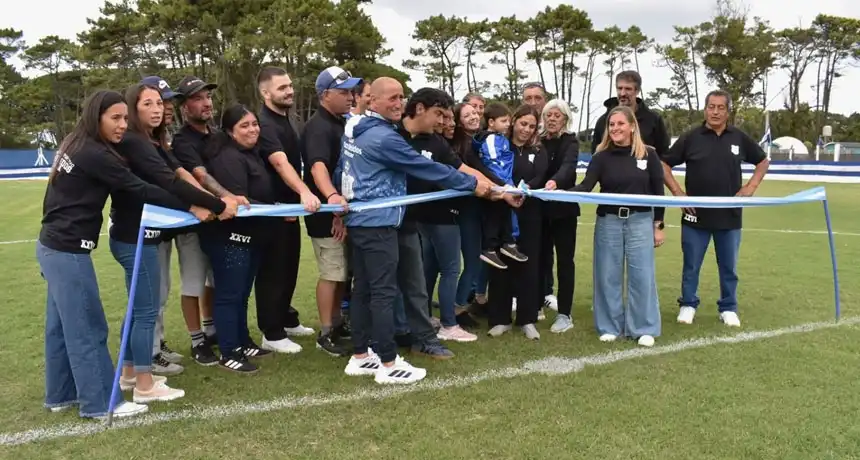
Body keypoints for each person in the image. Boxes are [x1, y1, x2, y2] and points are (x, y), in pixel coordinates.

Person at [37, 90, 201, 419]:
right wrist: (191, 204)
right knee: (87, 326)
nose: (122, 125)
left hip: (52, 246)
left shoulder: (76, 141)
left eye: (125, 118)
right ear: (95, 117)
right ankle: (100, 404)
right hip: (67, 251)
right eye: (115, 118)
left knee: (60, 328)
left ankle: (60, 395)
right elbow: (139, 188)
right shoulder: (94, 152)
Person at [339, 78, 492, 385]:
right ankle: (388, 362)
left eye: (402, 97)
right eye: (393, 98)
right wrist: (475, 186)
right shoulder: (385, 137)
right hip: (378, 221)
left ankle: (360, 356)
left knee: (365, 290)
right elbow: (431, 170)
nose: (400, 103)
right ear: (373, 101)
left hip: (366, 219)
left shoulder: (357, 128)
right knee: (382, 293)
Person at [110, 82, 235, 401]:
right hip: (136, 233)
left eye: (159, 103)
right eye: (148, 104)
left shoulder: (151, 141)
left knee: (144, 306)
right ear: (133, 110)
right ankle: (144, 382)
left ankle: (129, 374)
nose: (158, 108)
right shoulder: (137, 143)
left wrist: (209, 200)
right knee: (146, 307)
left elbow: (175, 173)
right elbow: (168, 183)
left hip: (142, 232)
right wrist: (216, 205)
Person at [661, 89, 769, 328]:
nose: (716, 112)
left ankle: (728, 307)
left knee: (729, 267)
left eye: (721, 107)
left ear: (728, 112)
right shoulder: (691, 137)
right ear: (705, 109)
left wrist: (751, 186)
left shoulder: (739, 138)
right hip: (695, 216)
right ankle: (688, 304)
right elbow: (663, 164)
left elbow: (763, 161)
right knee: (691, 265)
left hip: (729, 217)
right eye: (711, 107)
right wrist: (679, 195)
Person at [569, 105, 666, 347]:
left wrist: (658, 225)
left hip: (640, 221)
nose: (615, 129)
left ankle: (643, 328)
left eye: (620, 124)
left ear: (632, 126)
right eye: (612, 125)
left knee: (642, 276)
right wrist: (556, 190)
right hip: (609, 222)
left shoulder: (649, 155)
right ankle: (610, 326)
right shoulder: (601, 157)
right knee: (607, 275)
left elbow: (658, 192)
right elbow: (585, 188)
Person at [168, 75, 245, 366]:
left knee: (214, 279)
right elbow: (200, 175)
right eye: (198, 98)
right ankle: (197, 339)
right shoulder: (182, 140)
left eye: (208, 97)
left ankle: (212, 328)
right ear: (184, 107)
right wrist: (227, 197)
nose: (206, 103)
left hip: (220, 221)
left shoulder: (217, 135)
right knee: (193, 282)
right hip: (193, 222)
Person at [401, 91, 488, 344]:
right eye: (440, 115)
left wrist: (497, 188)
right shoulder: (397, 136)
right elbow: (452, 174)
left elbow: (463, 169)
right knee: (450, 269)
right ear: (419, 109)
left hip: (433, 215)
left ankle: (427, 317)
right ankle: (448, 323)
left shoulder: (436, 141)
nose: (444, 122)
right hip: (433, 217)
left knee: (430, 268)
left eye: (448, 117)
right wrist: (484, 186)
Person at [200, 104, 278, 373]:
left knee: (242, 292)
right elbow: (238, 200)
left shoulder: (251, 154)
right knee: (229, 294)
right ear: (231, 132)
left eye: (254, 124)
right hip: (229, 238)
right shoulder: (228, 158)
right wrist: (277, 211)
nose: (252, 129)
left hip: (252, 236)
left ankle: (242, 341)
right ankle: (228, 350)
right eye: (244, 126)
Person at [256, 66, 319, 353]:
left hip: (291, 208)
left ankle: (286, 317)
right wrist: (304, 191)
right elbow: (281, 163)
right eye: (282, 88)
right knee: (273, 270)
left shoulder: (287, 120)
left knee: (289, 266)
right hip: (272, 209)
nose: (289, 91)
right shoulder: (265, 124)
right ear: (265, 93)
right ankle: (271, 331)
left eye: (290, 85)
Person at [302, 66, 360, 356]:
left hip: (342, 211)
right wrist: (332, 200)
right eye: (343, 92)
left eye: (351, 91)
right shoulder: (318, 127)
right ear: (325, 95)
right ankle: (326, 332)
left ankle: (337, 323)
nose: (350, 97)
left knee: (342, 273)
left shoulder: (341, 122)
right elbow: (317, 166)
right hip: (326, 212)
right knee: (332, 273)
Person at [486, 105, 546, 339]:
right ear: (514, 122)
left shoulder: (538, 150)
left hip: (530, 213)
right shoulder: (501, 146)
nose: (526, 129)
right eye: (523, 124)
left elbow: (540, 174)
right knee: (500, 264)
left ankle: (527, 319)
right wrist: (507, 193)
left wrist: (526, 189)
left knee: (529, 265)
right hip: (502, 212)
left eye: (531, 126)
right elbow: (493, 170)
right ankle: (499, 319)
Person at [541, 99, 582, 333]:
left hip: (564, 212)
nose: (553, 119)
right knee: (539, 259)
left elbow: (568, 168)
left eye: (557, 115)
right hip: (539, 211)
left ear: (565, 119)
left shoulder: (571, 142)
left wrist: (555, 182)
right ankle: (536, 303)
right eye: (549, 115)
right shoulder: (539, 141)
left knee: (565, 262)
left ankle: (564, 314)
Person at [475, 102, 528, 269]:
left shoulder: (500, 139)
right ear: (491, 122)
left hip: (505, 183)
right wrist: (503, 184)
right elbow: (493, 161)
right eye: (504, 121)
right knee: (494, 216)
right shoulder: (490, 139)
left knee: (506, 213)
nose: (508, 124)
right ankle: (490, 248)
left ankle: (508, 243)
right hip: (497, 184)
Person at [591, 70, 669, 159]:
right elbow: (595, 154)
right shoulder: (603, 121)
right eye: (619, 88)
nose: (623, 93)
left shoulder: (653, 120)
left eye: (628, 89)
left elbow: (663, 155)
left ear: (637, 91)